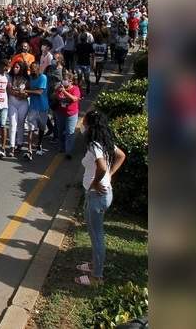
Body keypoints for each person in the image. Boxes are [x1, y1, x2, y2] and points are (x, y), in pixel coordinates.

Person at [75, 111, 127, 287]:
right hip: (100, 194)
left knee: (97, 236)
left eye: (85, 121)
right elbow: (121, 156)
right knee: (93, 233)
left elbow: (102, 167)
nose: (82, 123)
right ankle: (94, 265)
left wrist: (97, 182)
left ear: (90, 125)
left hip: (97, 195)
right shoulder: (104, 141)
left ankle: (97, 277)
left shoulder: (94, 144)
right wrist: (109, 176)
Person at [7, 60, 32, 160]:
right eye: (14, 67)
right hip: (12, 103)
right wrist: (17, 94)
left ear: (22, 68)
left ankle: (20, 144)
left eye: (17, 67)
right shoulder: (10, 77)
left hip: (23, 103)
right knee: (13, 124)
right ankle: (12, 147)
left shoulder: (27, 79)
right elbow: (9, 90)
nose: (15, 69)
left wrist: (24, 94)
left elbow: (28, 92)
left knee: (21, 124)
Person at [55, 70, 82, 159]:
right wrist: (60, 91)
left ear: (71, 81)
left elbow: (75, 99)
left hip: (71, 114)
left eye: (66, 80)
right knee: (60, 131)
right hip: (61, 113)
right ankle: (62, 147)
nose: (64, 81)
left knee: (70, 132)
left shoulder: (75, 89)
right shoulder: (60, 88)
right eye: (63, 79)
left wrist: (65, 92)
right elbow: (57, 97)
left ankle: (68, 151)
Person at [25, 62, 49, 158]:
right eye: (31, 68)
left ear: (39, 68)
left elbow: (39, 92)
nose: (33, 69)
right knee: (31, 129)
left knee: (42, 127)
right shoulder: (30, 78)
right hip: (33, 107)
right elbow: (27, 89)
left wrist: (27, 91)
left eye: (35, 68)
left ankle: (39, 144)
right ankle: (29, 149)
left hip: (43, 107)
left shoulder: (43, 77)